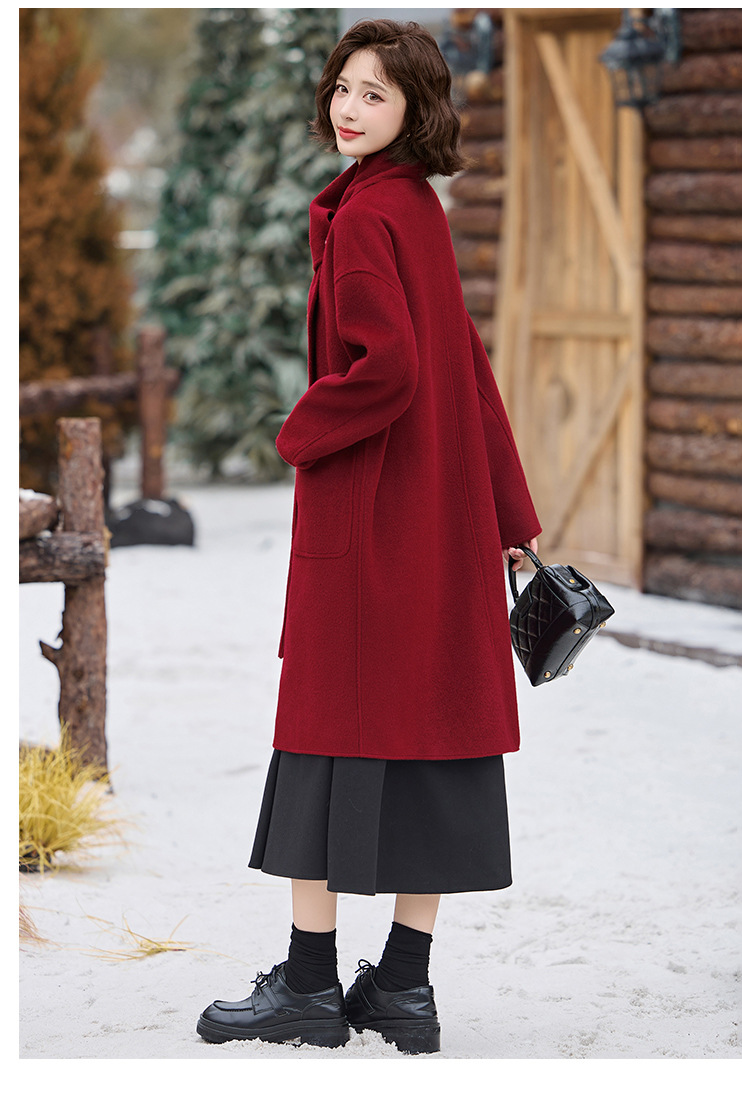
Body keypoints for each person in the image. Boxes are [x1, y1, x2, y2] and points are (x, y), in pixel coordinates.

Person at [197, 18, 541, 1055]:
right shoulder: (414, 207)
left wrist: (300, 431)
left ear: (414, 110)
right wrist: (507, 515)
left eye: (375, 95)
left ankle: (309, 984)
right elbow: (466, 364)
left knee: (323, 728)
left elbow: (391, 368)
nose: (349, 108)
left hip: (375, 513)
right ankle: (403, 984)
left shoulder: (364, 218)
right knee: (433, 732)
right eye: (343, 87)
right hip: (440, 519)